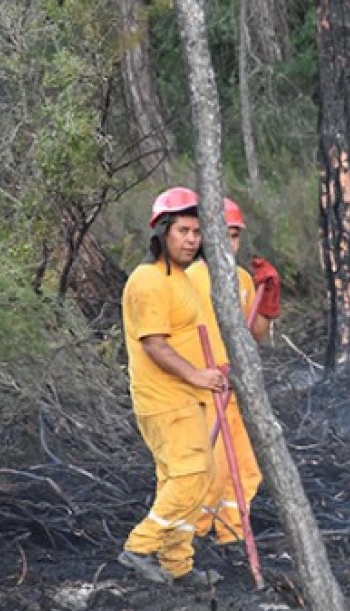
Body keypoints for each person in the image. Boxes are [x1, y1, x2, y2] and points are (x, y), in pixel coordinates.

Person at [118, 187, 226, 586]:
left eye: (197, 232)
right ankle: (139, 547)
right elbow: (154, 343)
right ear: (162, 232)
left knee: (187, 479)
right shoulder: (148, 281)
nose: (191, 239)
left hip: (186, 399)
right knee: (191, 475)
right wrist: (197, 376)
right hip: (164, 400)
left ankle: (176, 566)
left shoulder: (181, 279)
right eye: (183, 230)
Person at [184, 197, 280, 547]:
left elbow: (253, 333)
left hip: (237, 390)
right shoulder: (189, 278)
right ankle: (191, 539)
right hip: (202, 392)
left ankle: (230, 537)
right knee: (213, 469)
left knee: (246, 468)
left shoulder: (241, 278)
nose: (229, 244)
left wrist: (267, 301)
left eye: (235, 236)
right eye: (222, 235)